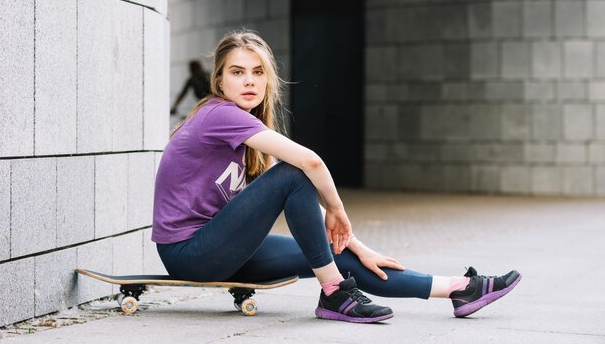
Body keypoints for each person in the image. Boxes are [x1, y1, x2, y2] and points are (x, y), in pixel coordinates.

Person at [152, 30, 521, 323]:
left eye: (258, 72)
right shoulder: (220, 115)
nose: (249, 81)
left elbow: (252, 215)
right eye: (237, 72)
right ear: (219, 80)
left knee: (336, 254)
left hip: (218, 248)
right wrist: (337, 209)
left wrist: (352, 241)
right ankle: (334, 293)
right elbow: (309, 163)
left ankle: (459, 289)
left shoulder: (243, 127)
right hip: (190, 253)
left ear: (268, 80)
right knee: (292, 174)